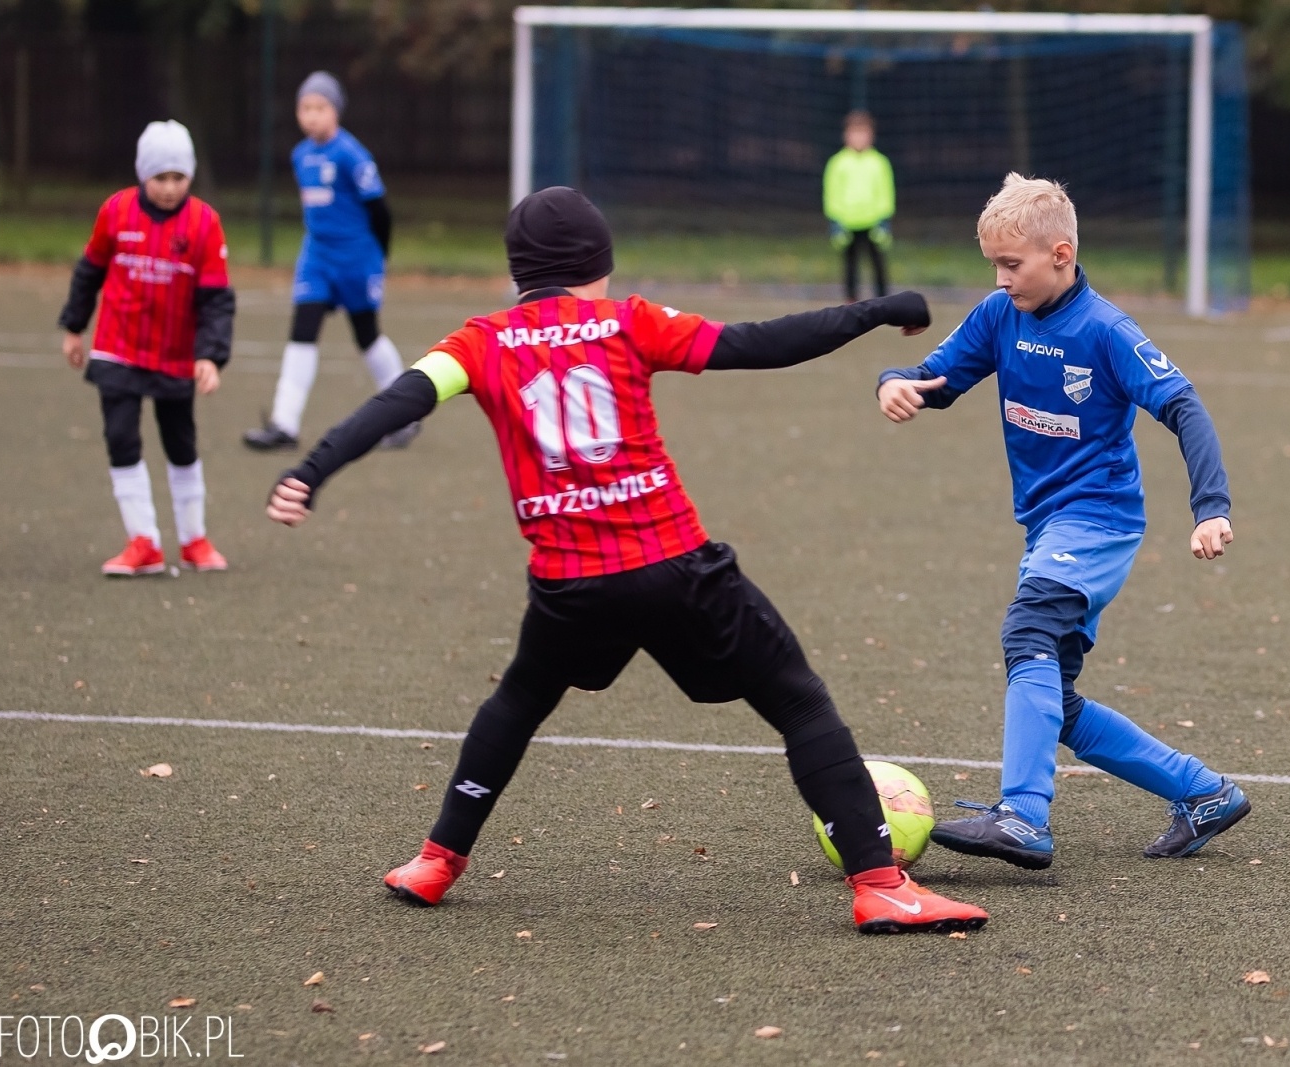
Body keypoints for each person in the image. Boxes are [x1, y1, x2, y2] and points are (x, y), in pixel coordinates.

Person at [264, 186, 988, 936]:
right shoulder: (627, 322)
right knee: (798, 699)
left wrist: (310, 471)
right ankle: (881, 885)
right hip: (675, 565)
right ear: (596, 264)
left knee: (516, 701)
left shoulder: (477, 343)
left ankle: (437, 859)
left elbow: (398, 402)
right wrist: (872, 312)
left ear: (519, 272)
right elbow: (755, 343)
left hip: (569, 585)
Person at [876, 173, 1250, 870]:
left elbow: (1185, 407)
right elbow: (936, 377)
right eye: (994, 264)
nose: (1001, 277)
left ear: (1061, 253)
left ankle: (1021, 814)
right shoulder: (999, 315)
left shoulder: (1107, 331)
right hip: (1050, 527)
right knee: (1057, 698)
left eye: (1012, 264)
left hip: (1100, 519)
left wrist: (1211, 507)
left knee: (1027, 632)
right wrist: (896, 383)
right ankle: (1203, 791)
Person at [58, 120, 235, 576]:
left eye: (179, 178)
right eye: (161, 178)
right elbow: (89, 271)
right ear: (143, 175)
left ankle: (194, 539)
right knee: (120, 437)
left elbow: (216, 299)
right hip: (117, 348)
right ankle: (144, 543)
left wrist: (210, 356)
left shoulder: (204, 223)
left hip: (175, 355)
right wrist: (74, 327)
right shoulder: (115, 212)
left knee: (180, 443)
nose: (170, 188)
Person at [243, 71, 413, 451]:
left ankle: (406, 415)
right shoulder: (300, 155)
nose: (312, 115)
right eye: (305, 107)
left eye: (320, 107)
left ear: (336, 111)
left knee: (366, 335)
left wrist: (378, 258)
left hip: (356, 259)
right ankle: (284, 425)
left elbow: (380, 212)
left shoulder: (352, 155)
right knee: (302, 331)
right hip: (317, 257)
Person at [823, 110, 895, 303]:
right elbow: (832, 193)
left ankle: (883, 301)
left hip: (872, 222)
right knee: (850, 265)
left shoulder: (879, 163)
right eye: (855, 133)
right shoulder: (837, 163)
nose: (859, 138)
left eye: (863, 133)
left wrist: (883, 220)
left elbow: (885, 192)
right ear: (846, 135)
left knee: (878, 264)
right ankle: (850, 300)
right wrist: (836, 221)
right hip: (847, 223)